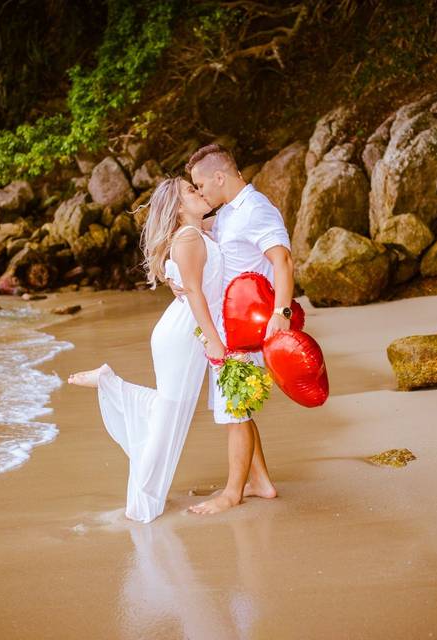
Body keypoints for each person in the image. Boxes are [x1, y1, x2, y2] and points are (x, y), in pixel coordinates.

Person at [66, 177, 226, 523]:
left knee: (171, 411)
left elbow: (228, 223)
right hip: (184, 332)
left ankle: (112, 386)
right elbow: (196, 293)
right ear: (179, 207)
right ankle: (142, 502)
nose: (199, 192)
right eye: (190, 191)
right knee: (171, 414)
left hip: (187, 328)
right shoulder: (188, 237)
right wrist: (212, 339)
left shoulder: (200, 231)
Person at [179, 143, 295, 515]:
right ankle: (260, 481)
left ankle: (232, 493)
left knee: (234, 415)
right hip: (230, 327)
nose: (199, 192)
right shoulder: (230, 212)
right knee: (239, 408)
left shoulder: (256, 209)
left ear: (219, 176)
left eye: (200, 184)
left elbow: (283, 260)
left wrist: (283, 311)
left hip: (248, 327)